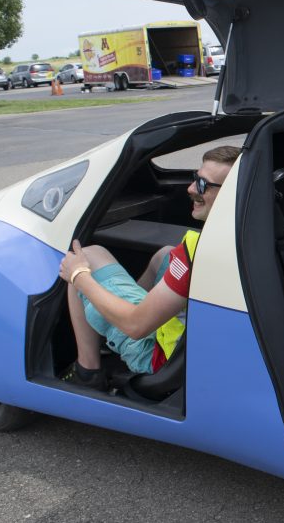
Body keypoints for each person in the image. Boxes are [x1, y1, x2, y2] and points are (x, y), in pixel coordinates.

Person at [57, 145, 241, 388]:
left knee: (87, 256)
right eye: (195, 178)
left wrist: (79, 276)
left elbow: (136, 326)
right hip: (201, 344)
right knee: (163, 255)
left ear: (229, 194)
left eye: (203, 185)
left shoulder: (201, 255)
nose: (190, 188)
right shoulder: (245, 233)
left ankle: (88, 370)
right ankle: (121, 316)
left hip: (158, 355)